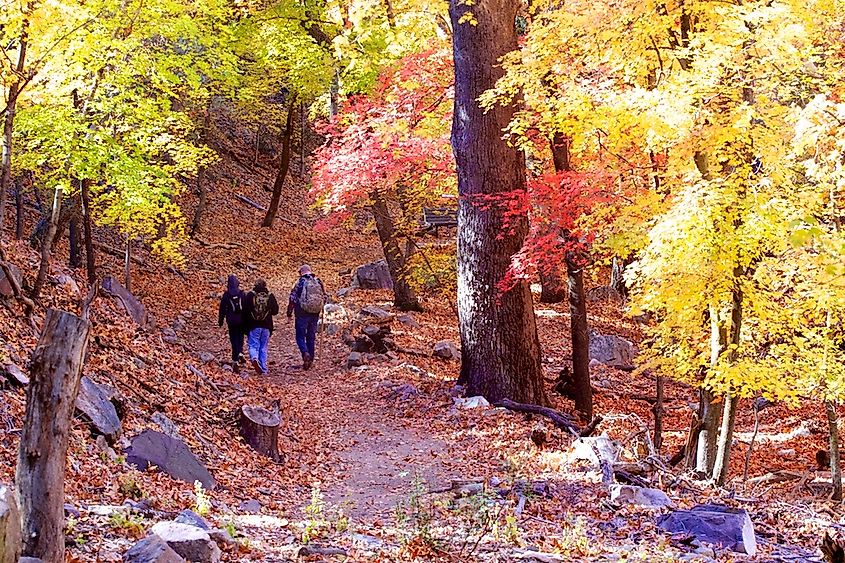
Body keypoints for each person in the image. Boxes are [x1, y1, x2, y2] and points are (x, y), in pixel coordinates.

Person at [287, 265, 326, 370]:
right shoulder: (318, 281)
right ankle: (310, 360)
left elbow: (292, 298)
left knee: (300, 336)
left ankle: (305, 353)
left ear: (301, 273)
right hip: (315, 313)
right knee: (311, 337)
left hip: (302, 313)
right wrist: (320, 308)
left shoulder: (300, 282)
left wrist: (289, 313)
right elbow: (324, 296)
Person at [243, 278, 279, 375]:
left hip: (253, 325)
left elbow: (245, 311)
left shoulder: (250, 295)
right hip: (267, 325)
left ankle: (254, 358)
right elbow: (275, 311)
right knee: (263, 347)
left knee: (253, 345)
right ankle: (263, 368)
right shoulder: (270, 295)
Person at [218, 274, 246, 373]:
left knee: (233, 338)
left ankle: (235, 359)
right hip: (242, 319)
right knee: (240, 336)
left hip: (231, 320)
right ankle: (240, 352)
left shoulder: (226, 295)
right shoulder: (242, 293)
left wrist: (220, 321)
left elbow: (222, 309)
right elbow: (247, 307)